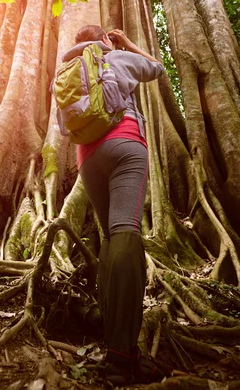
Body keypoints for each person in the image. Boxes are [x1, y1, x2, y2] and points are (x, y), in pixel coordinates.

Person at [61, 25, 165, 385]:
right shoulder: (116, 56)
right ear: (104, 40)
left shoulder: (66, 71)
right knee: (126, 232)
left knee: (109, 238)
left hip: (87, 160)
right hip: (126, 147)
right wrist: (128, 44)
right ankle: (122, 355)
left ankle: (115, 343)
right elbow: (158, 67)